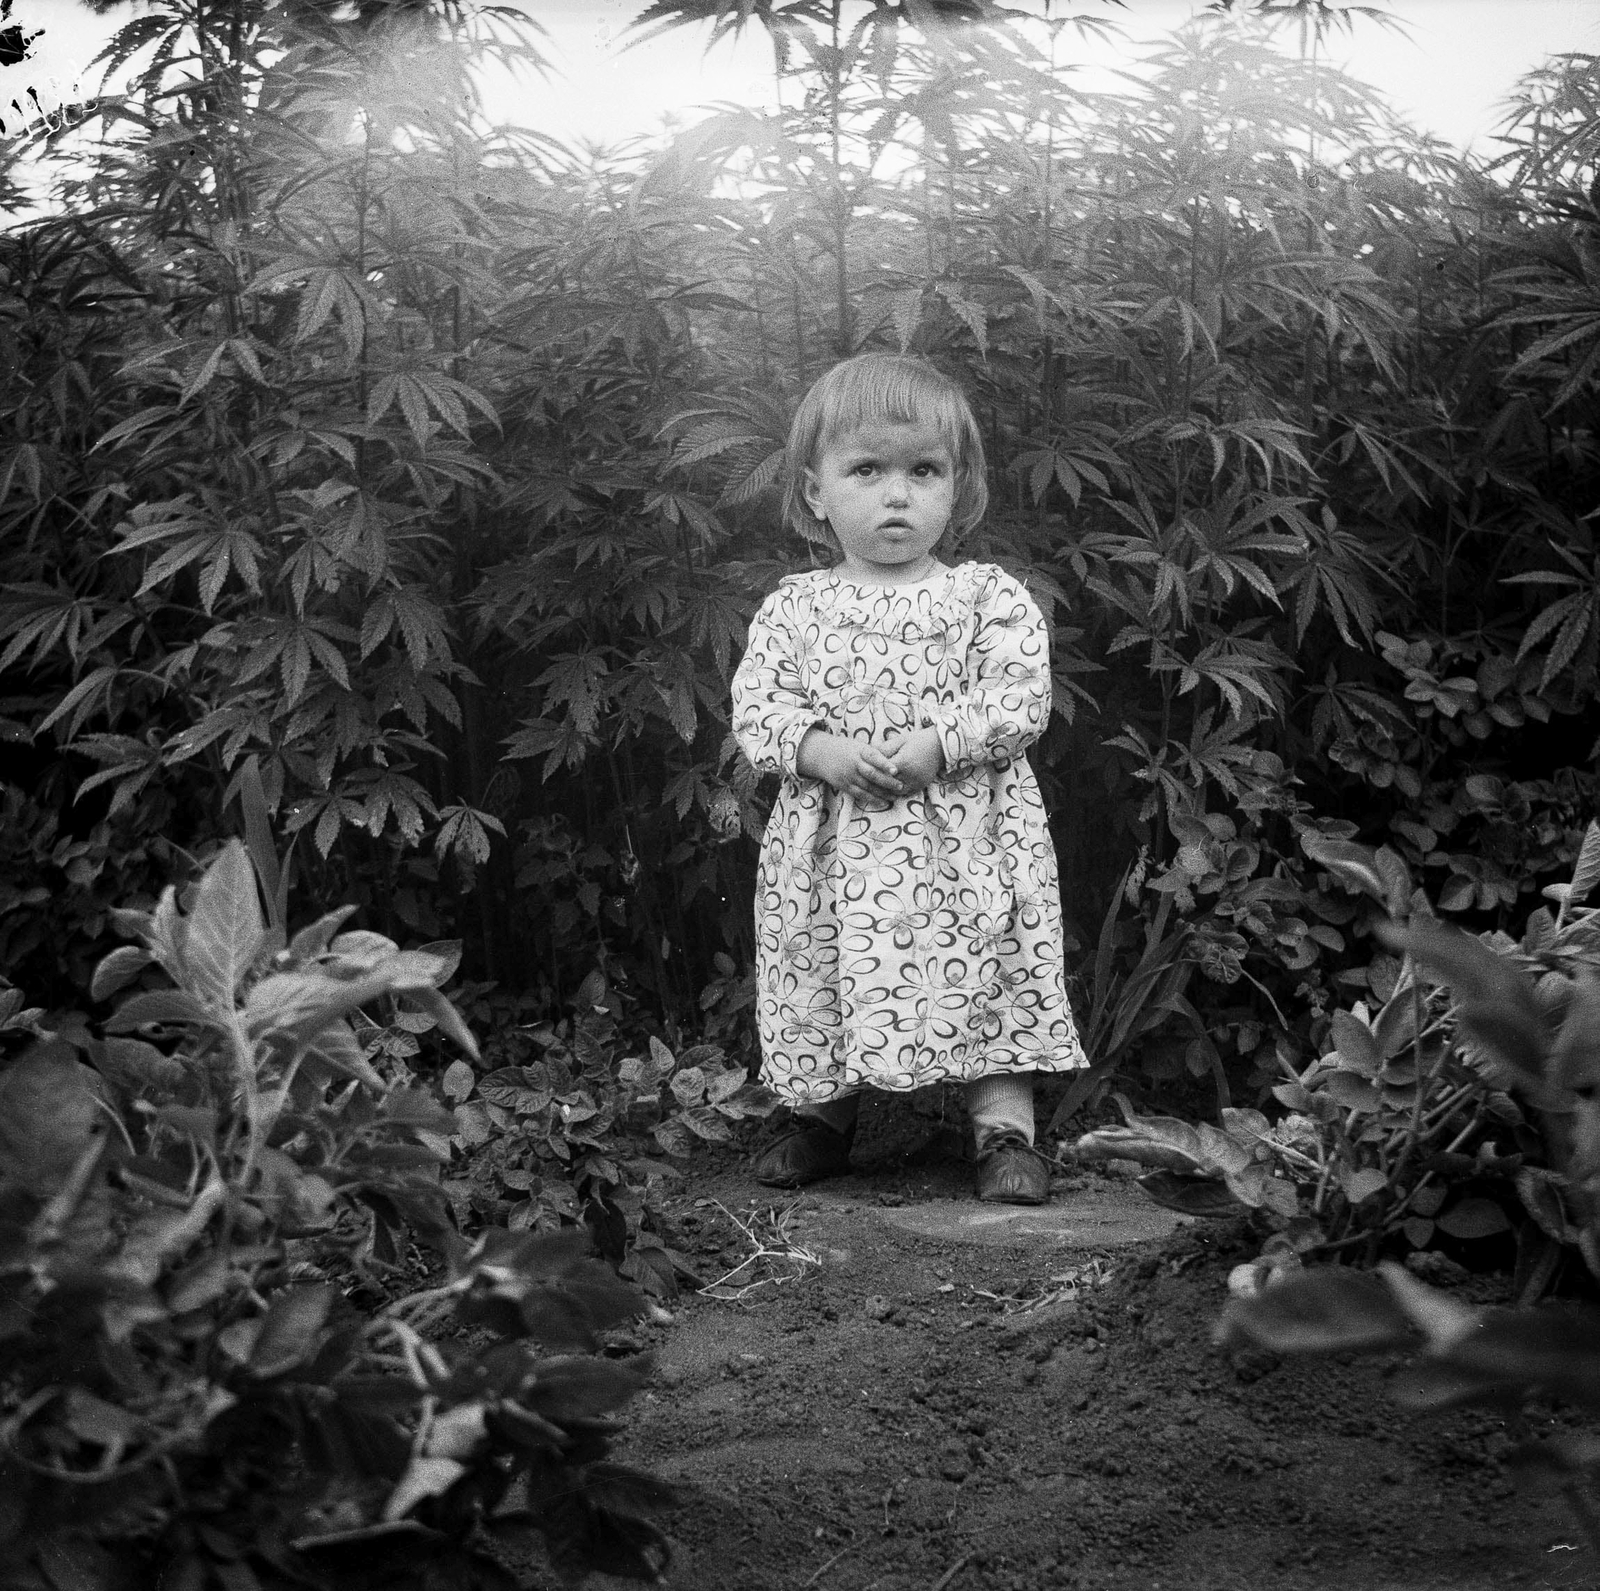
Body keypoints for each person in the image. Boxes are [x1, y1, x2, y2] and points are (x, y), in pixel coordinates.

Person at [730, 352, 1087, 1204]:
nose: (898, 493)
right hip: (836, 848)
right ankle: (823, 1119)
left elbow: (1021, 695)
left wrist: (943, 740)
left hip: (969, 841)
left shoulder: (985, 597)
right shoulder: (795, 606)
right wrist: (820, 752)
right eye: (868, 470)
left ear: (956, 488)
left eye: (923, 470)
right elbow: (760, 708)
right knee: (820, 963)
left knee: (994, 964)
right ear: (816, 492)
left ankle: (1006, 1132)